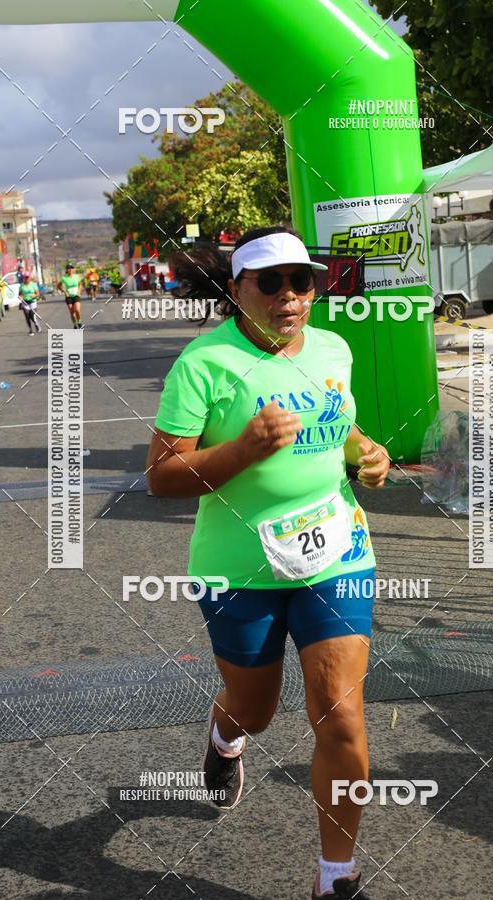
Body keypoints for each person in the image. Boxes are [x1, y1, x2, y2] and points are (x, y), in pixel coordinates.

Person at [147, 226, 390, 899]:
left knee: (340, 712)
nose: (289, 296)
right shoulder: (204, 365)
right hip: (240, 568)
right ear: (237, 289)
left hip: (335, 553)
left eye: (301, 281)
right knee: (257, 711)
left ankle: (336, 877)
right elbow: (162, 477)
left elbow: (341, 431)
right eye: (270, 282)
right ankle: (227, 737)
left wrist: (366, 455)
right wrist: (241, 451)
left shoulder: (333, 348)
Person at [57, 264, 84, 329]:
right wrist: (65, 292)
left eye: (72, 268)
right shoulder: (64, 278)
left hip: (76, 295)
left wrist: (79, 291)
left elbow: (80, 284)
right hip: (69, 297)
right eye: (69, 268)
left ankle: (79, 322)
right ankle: (75, 324)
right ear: (67, 270)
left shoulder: (77, 276)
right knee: (72, 312)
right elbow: (58, 286)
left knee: (77, 310)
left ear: (73, 269)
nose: (71, 269)